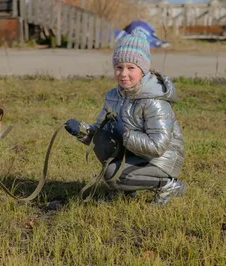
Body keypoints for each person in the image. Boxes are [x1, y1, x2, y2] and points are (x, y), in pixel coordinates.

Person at [65, 29, 187, 205]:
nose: (123, 74)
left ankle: (169, 185)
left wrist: (125, 134)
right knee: (103, 140)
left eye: (131, 68)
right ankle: (125, 190)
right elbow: (101, 131)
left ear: (143, 70)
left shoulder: (154, 101)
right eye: (119, 67)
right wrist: (81, 131)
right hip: (133, 152)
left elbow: (158, 147)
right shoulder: (113, 96)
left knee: (112, 175)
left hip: (161, 160)